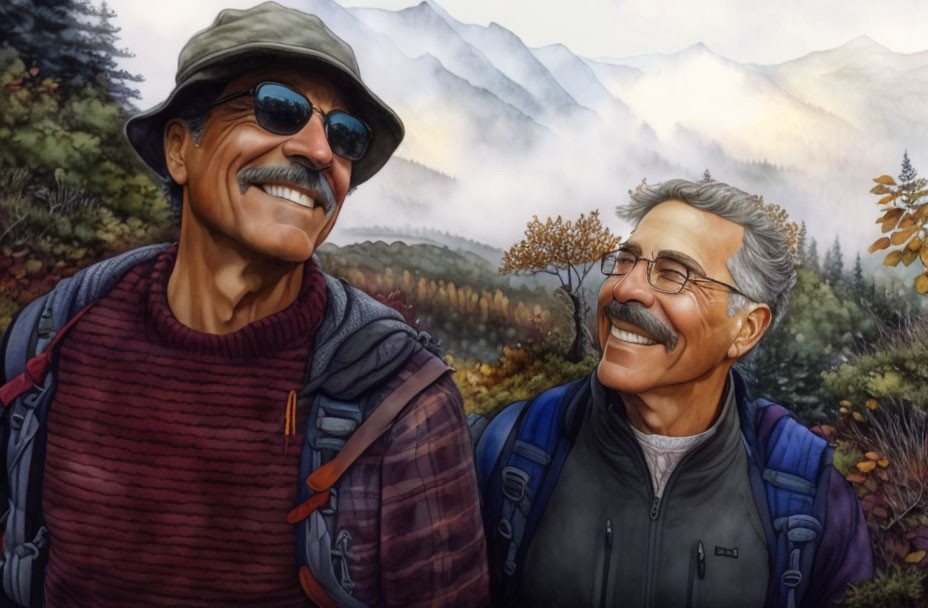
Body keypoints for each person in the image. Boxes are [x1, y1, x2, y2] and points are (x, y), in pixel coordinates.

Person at [0, 3, 488, 607]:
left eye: (345, 135)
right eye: (278, 107)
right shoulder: (53, 337)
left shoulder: (399, 396)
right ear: (180, 148)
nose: (318, 151)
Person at [475, 179, 872, 607]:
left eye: (674, 273)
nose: (625, 289)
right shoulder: (513, 448)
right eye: (626, 260)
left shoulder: (809, 497)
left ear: (747, 329)